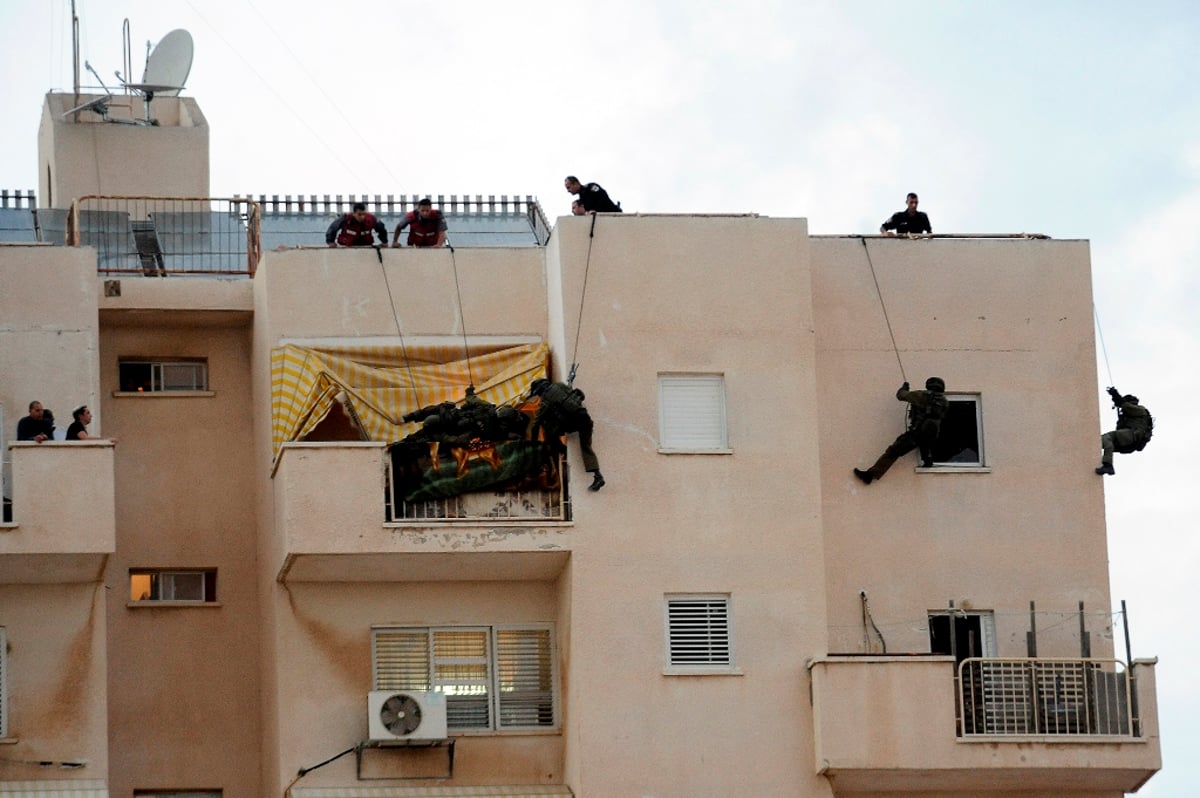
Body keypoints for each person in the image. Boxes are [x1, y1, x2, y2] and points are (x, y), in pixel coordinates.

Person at [854, 377, 949, 485]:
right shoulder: (945, 402)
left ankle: (870, 475)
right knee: (925, 446)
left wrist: (904, 388)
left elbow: (901, 395)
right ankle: (927, 463)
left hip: (916, 434)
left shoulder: (922, 396)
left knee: (893, 451)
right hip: (931, 435)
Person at [529, 378, 605, 491]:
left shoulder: (545, 401)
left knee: (547, 424)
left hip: (572, 423)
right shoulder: (560, 385)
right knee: (586, 447)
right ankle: (598, 476)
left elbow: (536, 424)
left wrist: (534, 442)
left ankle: (563, 450)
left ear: (541, 390)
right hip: (585, 418)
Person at [1095, 387, 1152, 476]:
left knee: (1105, 438)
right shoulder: (1129, 416)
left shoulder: (1140, 410)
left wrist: (1114, 394)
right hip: (1130, 444)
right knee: (1101, 443)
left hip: (1131, 437)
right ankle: (1107, 464)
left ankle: (1108, 465)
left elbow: (1124, 405)